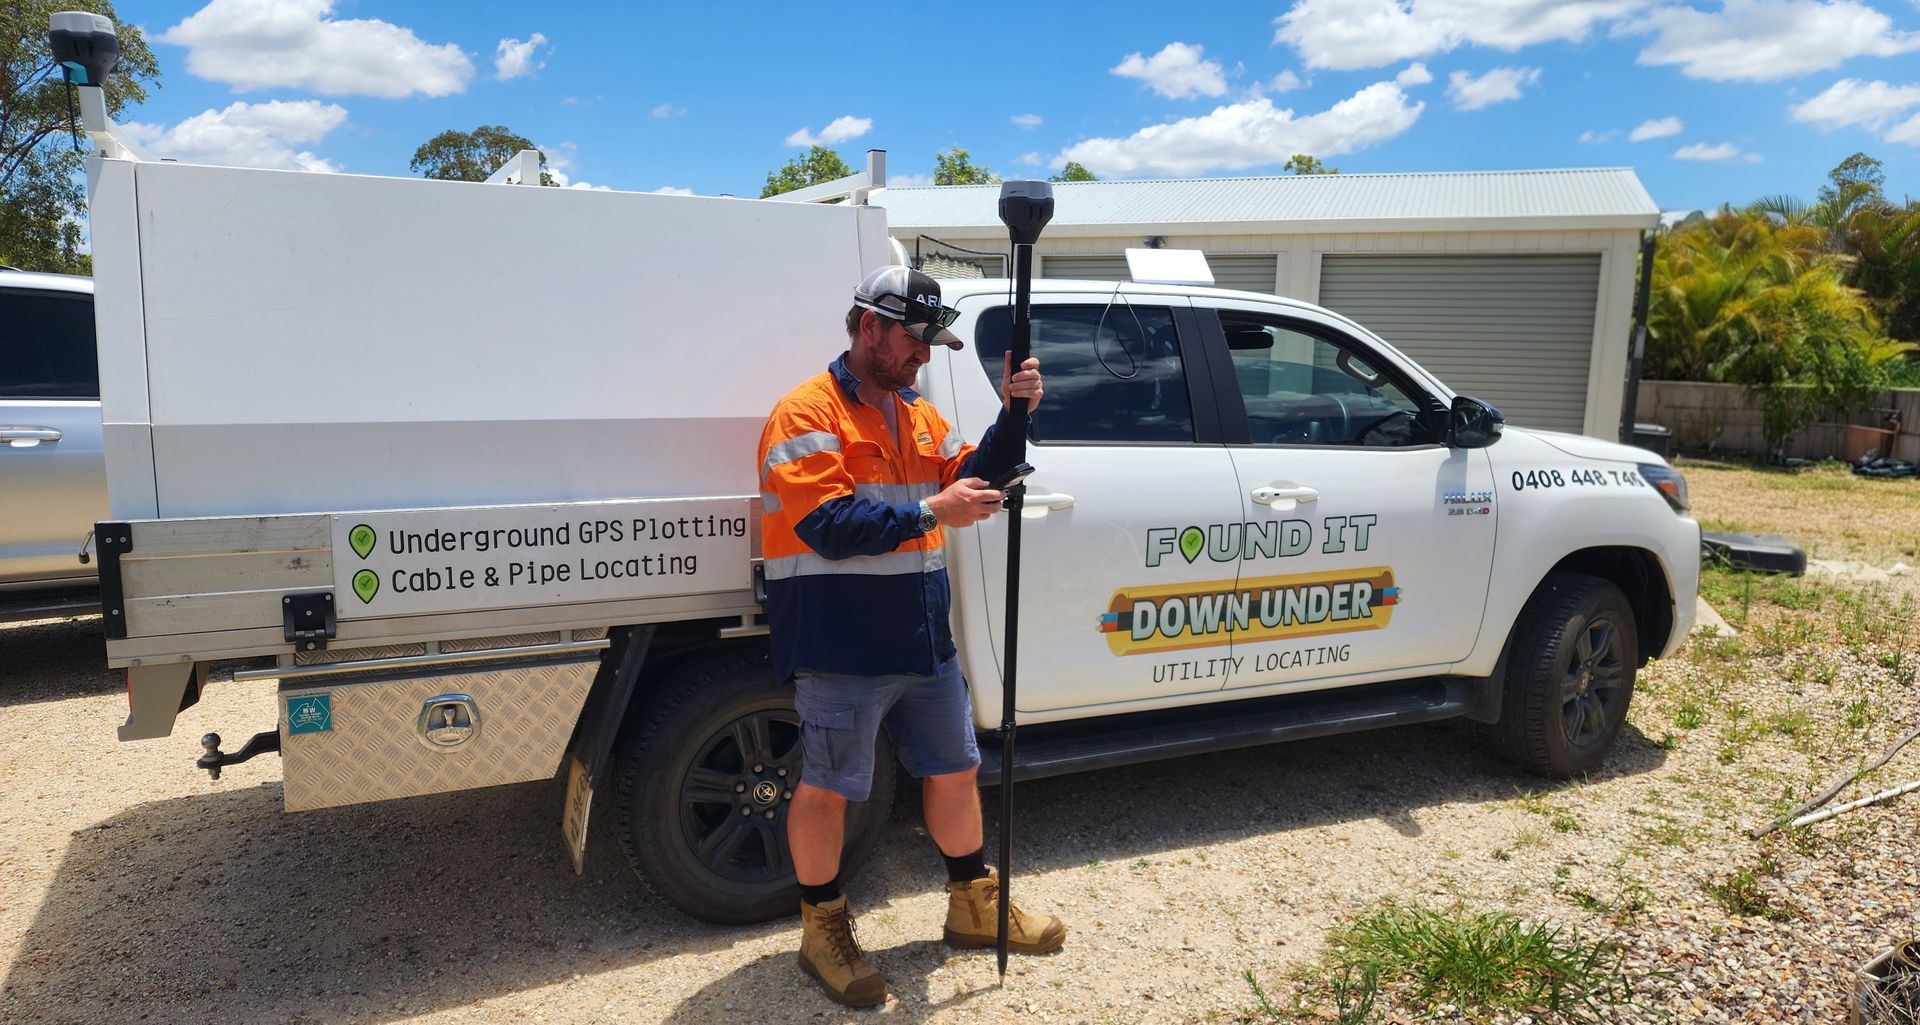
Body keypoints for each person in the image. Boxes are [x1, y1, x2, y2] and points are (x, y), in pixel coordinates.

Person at [757, 265, 1066, 1008]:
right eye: (914, 342)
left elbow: (978, 476)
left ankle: (972, 903)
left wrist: (1015, 414)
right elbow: (828, 528)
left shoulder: (916, 412)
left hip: (924, 637)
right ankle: (822, 928)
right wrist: (934, 511)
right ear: (870, 327)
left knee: (955, 769)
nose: (924, 358)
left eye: (932, 345)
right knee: (828, 788)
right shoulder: (805, 413)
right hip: (841, 643)